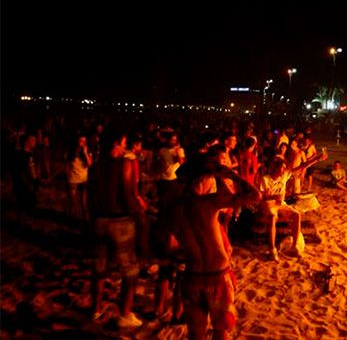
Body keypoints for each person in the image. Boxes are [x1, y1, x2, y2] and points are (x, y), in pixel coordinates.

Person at [166, 164, 262, 340]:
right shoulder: (207, 203)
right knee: (220, 330)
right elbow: (255, 195)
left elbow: (167, 245)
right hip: (217, 277)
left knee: (196, 333)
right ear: (202, 181)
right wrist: (230, 175)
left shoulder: (172, 209)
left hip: (192, 277)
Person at [88, 129, 145, 328]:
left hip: (99, 221)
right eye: (123, 143)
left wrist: (91, 221)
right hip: (120, 221)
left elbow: (91, 198)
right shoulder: (125, 164)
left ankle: (95, 310)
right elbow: (128, 195)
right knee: (130, 271)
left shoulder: (95, 167)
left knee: (99, 269)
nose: (125, 147)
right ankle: (125, 314)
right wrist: (141, 218)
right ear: (116, 143)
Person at [260, 150, 327, 261]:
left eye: (284, 168)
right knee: (272, 218)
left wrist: (317, 159)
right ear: (275, 168)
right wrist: (273, 197)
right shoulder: (265, 179)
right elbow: (261, 197)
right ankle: (272, 249)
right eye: (281, 168)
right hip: (269, 205)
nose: (283, 170)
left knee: (296, 214)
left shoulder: (284, 175)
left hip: (280, 204)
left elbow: (302, 166)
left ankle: (295, 246)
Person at [12, 132, 39, 223]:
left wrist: (36, 180)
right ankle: (20, 226)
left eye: (35, 140)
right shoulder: (20, 155)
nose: (35, 142)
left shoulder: (31, 154)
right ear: (26, 142)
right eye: (32, 140)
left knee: (30, 206)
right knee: (22, 206)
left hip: (30, 185)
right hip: (22, 186)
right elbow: (20, 172)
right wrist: (28, 185)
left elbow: (32, 168)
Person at [66, 134, 93, 222]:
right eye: (81, 141)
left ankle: (86, 220)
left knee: (84, 203)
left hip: (84, 180)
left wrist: (85, 153)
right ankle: (71, 219)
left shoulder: (88, 151)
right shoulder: (71, 151)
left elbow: (90, 164)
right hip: (73, 179)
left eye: (84, 141)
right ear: (77, 141)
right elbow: (67, 164)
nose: (82, 143)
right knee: (72, 201)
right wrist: (68, 177)